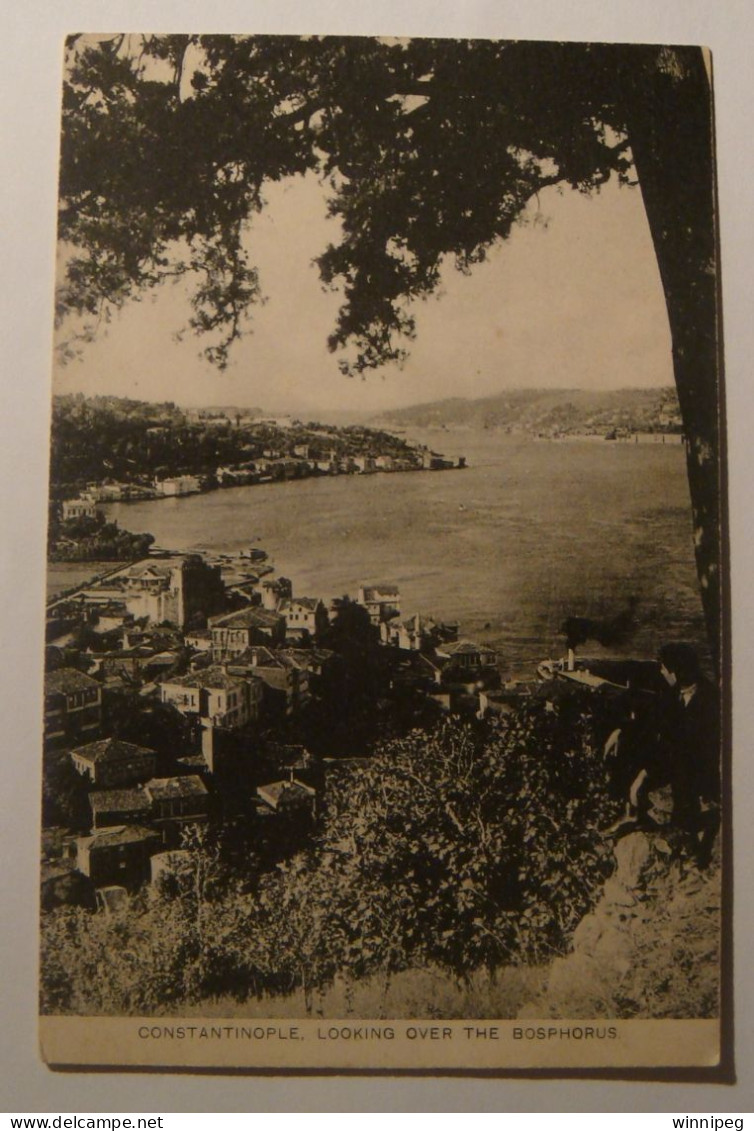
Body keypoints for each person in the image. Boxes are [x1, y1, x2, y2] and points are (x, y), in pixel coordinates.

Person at [604, 643, 720, 867]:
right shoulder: (675, 691)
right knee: (631, 744)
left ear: (677, 671)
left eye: (665, 669)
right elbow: (653, 720)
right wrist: (621, 731)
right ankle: (632, 811)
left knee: (679, 785)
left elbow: (689, 750)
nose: (661, 673)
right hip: (677, 758)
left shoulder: (709, 700)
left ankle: (694, 845)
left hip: (697, 767)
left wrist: (648, 771)